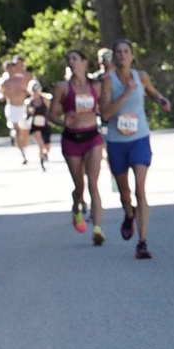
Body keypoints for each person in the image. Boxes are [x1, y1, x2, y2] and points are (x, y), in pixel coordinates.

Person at [99, 39, 172, 260]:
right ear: (114, 57)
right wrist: (125, 93)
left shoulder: (141, 76)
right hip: (116, 142)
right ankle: (129, 214)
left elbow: (152, 92)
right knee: (125, 194)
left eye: (126, 51)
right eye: (118, 52)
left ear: (132, 56)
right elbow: (105, 114)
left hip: (139, 138)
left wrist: (161, 100)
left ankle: (142, 242)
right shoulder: (108, 81)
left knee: (140, 189)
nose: (122, 55)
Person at [51, 48, 106, 243]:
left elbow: (105, 107)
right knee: (79, 186)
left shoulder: (96, 86)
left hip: (92, 137)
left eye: (75, 58)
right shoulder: (62, 87)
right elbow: (51, 114)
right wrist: (62, 122)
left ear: (84, 62)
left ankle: (97, 229)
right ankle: (76, 208)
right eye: (69, 59)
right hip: (71, 139)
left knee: (93, 184)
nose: (71, 62)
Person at [0, 54, 34, 165]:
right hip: (12, 107)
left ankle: (22, 147)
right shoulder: (4, 81)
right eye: (9, 69)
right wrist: (0, 96)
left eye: (12, 68)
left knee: (24, 131)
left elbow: (30, 91)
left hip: (22, 107)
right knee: (17, 129)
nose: (11, 71)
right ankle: (22, 154)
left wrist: (29, 96)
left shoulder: (21, 79)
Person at [26, 78, 51, 169]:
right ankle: (42, 163)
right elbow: (26, 116)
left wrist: (49, 120)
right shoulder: (29, 102)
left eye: (36, 89)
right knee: (41, 145)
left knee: (47, 146)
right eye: (33, 89)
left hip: (45, 125)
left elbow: (49, 111)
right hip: (35, 125)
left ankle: (43, 156)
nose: (35, 91)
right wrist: (30, 112)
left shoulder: (45, 100)